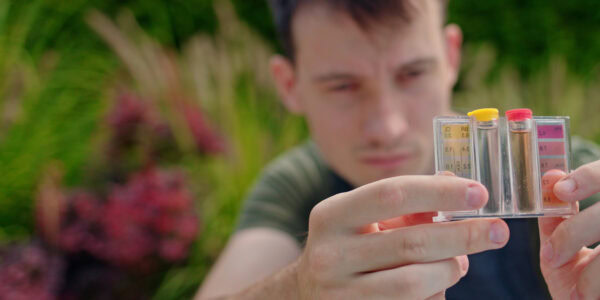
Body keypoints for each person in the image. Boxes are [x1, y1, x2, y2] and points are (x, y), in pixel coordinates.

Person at [196, 0, 600, 299]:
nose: (388, 127)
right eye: (343, 86)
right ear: (289, 85)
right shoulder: (295, 183)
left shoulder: (562, 179)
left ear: (451, 56)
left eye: (412, 74)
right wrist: (296, 287)